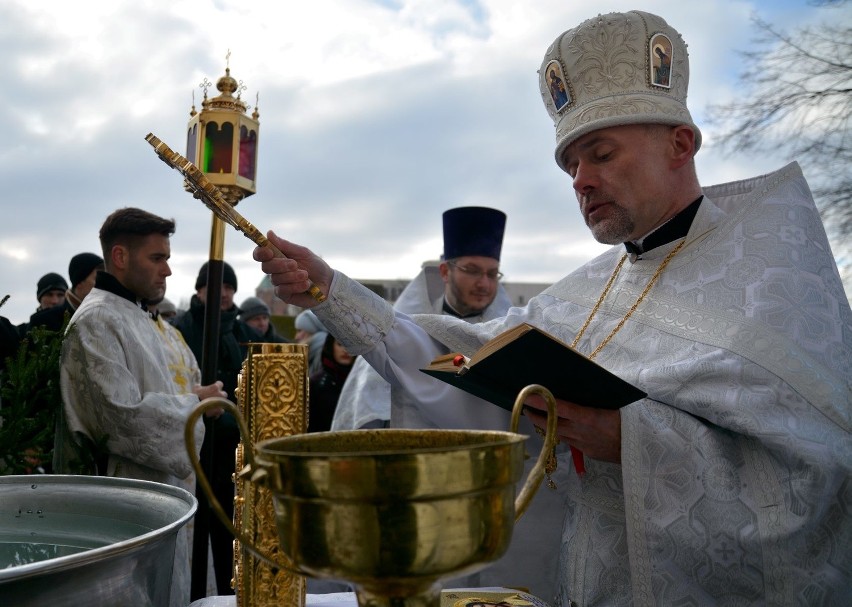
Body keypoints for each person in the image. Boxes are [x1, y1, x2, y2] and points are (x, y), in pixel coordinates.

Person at [253, 10, 851, 606]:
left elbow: (823, 474)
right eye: (571, 165)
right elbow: (460, 363)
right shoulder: (587, 291)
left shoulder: (771, 278)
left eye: (601, 154)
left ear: (680, 144)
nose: (580, 180)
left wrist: (632, 439)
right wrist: (331, 290)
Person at [55, 207, 226, 607]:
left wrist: (201, 398)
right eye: (157, 258)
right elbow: (121, 419)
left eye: (167, 257)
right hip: (123, 515)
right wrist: (194, 405)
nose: (167, 269)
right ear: (119, 257)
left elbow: (166, 390)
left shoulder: (145, 320)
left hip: (169, 501)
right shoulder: (97, 321)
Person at [331, 206, 512, 430]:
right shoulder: (400, 332)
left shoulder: (509, 336)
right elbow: (370, 408)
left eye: (492, 274)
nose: (484, 283)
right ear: (445, 272)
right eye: (472, 270)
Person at [173, 260, 264, 596]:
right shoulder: (182, 329)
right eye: (216, 286)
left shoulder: (243, 333)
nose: (223, 294)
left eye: (229, 287)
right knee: (195, 535)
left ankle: (230, 596)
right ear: (200, 290)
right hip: (196, 447)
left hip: (235, 450)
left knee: (232, 530)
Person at [28, 252, 104, 333]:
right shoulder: (44, 322)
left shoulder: (107, 315)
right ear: (80, 283)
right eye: (98, 278)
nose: (104, 283)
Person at [308, 333, 356, 432]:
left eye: (350, 345)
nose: (345, 350)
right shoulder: (316, 383)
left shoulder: (361, 381)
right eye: (340, 344)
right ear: (331, 346)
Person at [293, 308, 328, 374]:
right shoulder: (316, 348)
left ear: (311, 330)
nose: (296, 337)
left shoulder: (323, 352)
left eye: (299, 331)